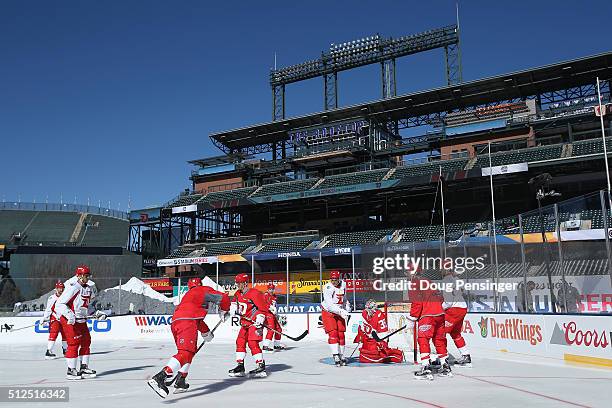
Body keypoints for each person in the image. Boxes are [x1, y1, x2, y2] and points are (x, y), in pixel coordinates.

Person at [148, 276, 230, 398]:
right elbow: (224, 297)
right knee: (186, 353)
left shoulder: (189, 296)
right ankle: (161, 377)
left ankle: (181, 380)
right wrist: (224, 310)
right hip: (187, 322)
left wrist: (206, 332)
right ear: (200, 284)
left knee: (187, 353)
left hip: (177, 322)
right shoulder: (201, 290)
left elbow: (197, 318)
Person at [55, 265, 106, 380]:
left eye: (88, 276)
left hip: (81, 320)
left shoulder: (88, 289)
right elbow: (59, 304)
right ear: (79, 276)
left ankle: (84, 367)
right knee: (74, 343)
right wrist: (69, 315)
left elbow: (86, 306)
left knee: (86, 341)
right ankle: (71, 370)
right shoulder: (73, 287)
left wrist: (96, 313)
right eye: (85, 276)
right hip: (71, 321)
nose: (87, 278)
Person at [409, 270, 452, 380]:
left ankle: (426, 367)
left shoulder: (414, 283)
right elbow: (441, 298)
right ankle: (445, 366)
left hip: (428, 315)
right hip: (440, 314)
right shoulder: (429, 281)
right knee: (439, 340)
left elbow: (417, 303)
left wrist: (412, 318)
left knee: (423, 339)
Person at [228, 273, 269, 378]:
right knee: (240, 341)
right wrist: (231, 309)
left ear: (245, 283)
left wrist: (260, 317)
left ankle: (261, 366)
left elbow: (263, 308)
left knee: (252, 343)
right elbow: (234, 303)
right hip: (245, 323)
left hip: (254, 323)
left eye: (239, 283)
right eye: (237, 283)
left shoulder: (255, 293)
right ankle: (240, 366)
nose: (237, 285)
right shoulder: (238, 293)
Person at [353, 299, 403, 363]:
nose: (368, 310)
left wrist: (382, 342)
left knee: (378, 355)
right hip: (368, 341)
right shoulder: (364, 313)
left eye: (370, 308)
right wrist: (361, 336)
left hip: (376, 341)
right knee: (364, 357)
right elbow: (362, 328)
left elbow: (383, 331)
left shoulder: (379, 315)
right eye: (366, 308)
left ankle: (396, 354)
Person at [321, 270, 351, 366]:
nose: (334, 282)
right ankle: (335, 354)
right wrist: (341, 311)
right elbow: (329, 305)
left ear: (339, 279)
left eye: (335, 280)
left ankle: (341, 355)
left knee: (341, 334)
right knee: (333, 333)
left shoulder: (343, 285)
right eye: (332, 279)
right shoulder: (327, 287)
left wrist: (347, 307)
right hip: (329, 311)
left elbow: (344, 298)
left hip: (339, 310)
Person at [441, 270, 471, 367]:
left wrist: (440, 307)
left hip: (454, 310)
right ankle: (466, 355)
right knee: (455, 333)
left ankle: (443, 357)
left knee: (441, 333)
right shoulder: (456, 279)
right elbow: (462, 288)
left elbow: (448, 302)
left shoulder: (446, 280)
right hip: (462, 308)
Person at [43, 281, 67, 359]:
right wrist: (46, 318)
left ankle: (65, 350)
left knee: (65, 334)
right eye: (59, 288)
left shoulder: (66, 297)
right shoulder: (52, 298)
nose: (61, 290)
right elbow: (48, 309)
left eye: (62, 288)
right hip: (55, 318)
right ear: (56, 289)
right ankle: (49, 351)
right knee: (54, 333)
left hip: (63, 318)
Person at [262, 283, 285, 352]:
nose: (271, 290)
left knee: (278, 329)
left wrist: (275, 313)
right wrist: (270, 308)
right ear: (267, 289)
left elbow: (274, 306)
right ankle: (265, 346)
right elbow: (263, 304)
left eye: (272, 289)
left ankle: (276, 345)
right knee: (271, 329)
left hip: (272, 314)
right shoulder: (266, 295)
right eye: (270, 289)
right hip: (267, 313)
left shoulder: (274, 296)